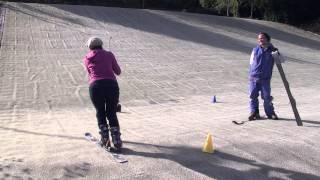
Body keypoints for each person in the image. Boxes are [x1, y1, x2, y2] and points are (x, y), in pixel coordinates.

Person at [83, 37, 122, 151]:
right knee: (111, 112)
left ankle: (105, 139)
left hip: (95, 86)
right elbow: (118, 72)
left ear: (90, 47)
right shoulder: (109, 55)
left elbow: (90, 72)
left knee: (100, 111)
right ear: (101, 45)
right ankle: (117, 140)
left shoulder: (86, 58)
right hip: (111, 85)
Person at [248, 32, 283, 121]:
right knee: (253, 96)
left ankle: (270, 113)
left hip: (265, 78)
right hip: (254, 77)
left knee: (266, 97)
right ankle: (254, 112)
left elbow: (281, 60)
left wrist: (277, 53)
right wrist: (252, 73)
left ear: (267, 39)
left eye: (262, 38)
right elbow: (251, 62)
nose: (260, 40)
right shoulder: (255, 50)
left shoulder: (272, 50)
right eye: (259, 38)